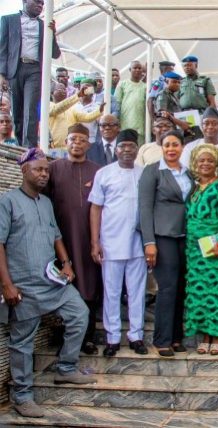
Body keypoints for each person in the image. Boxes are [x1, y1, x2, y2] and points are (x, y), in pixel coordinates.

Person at [0, 148, 95, 418]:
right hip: (24, 286)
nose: (43, 174)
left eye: (45, 170)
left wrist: (66, 263)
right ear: (24, 171)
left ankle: (66, 368)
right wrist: (6, 284)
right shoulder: (8, 202)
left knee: (80, 314)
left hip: (51, 282)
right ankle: (22, 396)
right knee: (21, 343)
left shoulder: (45, 202)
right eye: (38, 169)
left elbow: (56, 235)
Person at [89, 129, 147, 357]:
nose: (126, 150)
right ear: (116, 149)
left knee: (137, 292)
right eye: (122, 146)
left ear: (136, 149)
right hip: (111, 242)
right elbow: (95, 208)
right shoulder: (104, 174)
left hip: (138, 243)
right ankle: (112, 338)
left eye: (130, 146)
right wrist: (95, 242)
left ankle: (136, 336)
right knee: (111, 292)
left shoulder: (144, 173)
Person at [46, 124, 103, 355]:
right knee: (63, 286)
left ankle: (87, 337)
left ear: (88, 144)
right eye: (72, 139)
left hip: (90, 239)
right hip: (61, 239)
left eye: (81, 140)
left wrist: (96, 240)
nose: (76, 143)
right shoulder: (53, 169)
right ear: (65, 142)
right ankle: (64, 337)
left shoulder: (98, 171)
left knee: (89, 286)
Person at [139, 130, 192, 357]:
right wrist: (149, 242)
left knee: (181, 287)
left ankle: (177, 337)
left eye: (176, 145)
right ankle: (162, 339)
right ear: (162, 147)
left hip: (185, 236)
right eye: (167, 145)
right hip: (163, 236)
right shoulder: (153, 171)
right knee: (168, 287)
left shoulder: (188, 173)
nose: (171, 149)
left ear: (182, 148)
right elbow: (144, 208)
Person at [184, 144, 218, 355]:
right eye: (201, 161)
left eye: (209, 160)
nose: (205, 164)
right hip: (194, 250)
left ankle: (216, 336)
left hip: (214, 246)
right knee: (199, 292)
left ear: (216, 164)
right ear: (195, 164)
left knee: (216, 290)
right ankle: (204, 336)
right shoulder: (195, 188)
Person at [0, 0, 61, 147]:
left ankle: (30, 148)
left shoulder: (44, 25)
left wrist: (52, 34)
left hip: (34, 70)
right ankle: (20, 146)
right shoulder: (8, 20)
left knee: (31, 109)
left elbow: (55, 54)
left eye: (42, 3)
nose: (41, 6)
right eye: (37, 2)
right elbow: (2, 49)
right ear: (25, 1)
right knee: (17, 111)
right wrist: (1, 75)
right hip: (15, 69)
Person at [114, 61, 146, 145]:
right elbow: (116, 103)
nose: (137, 70)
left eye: (139, 68)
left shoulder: (145, 86)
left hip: (140, 128)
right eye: (135, 68)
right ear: (130, 69)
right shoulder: (122, 84)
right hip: (125, 126)